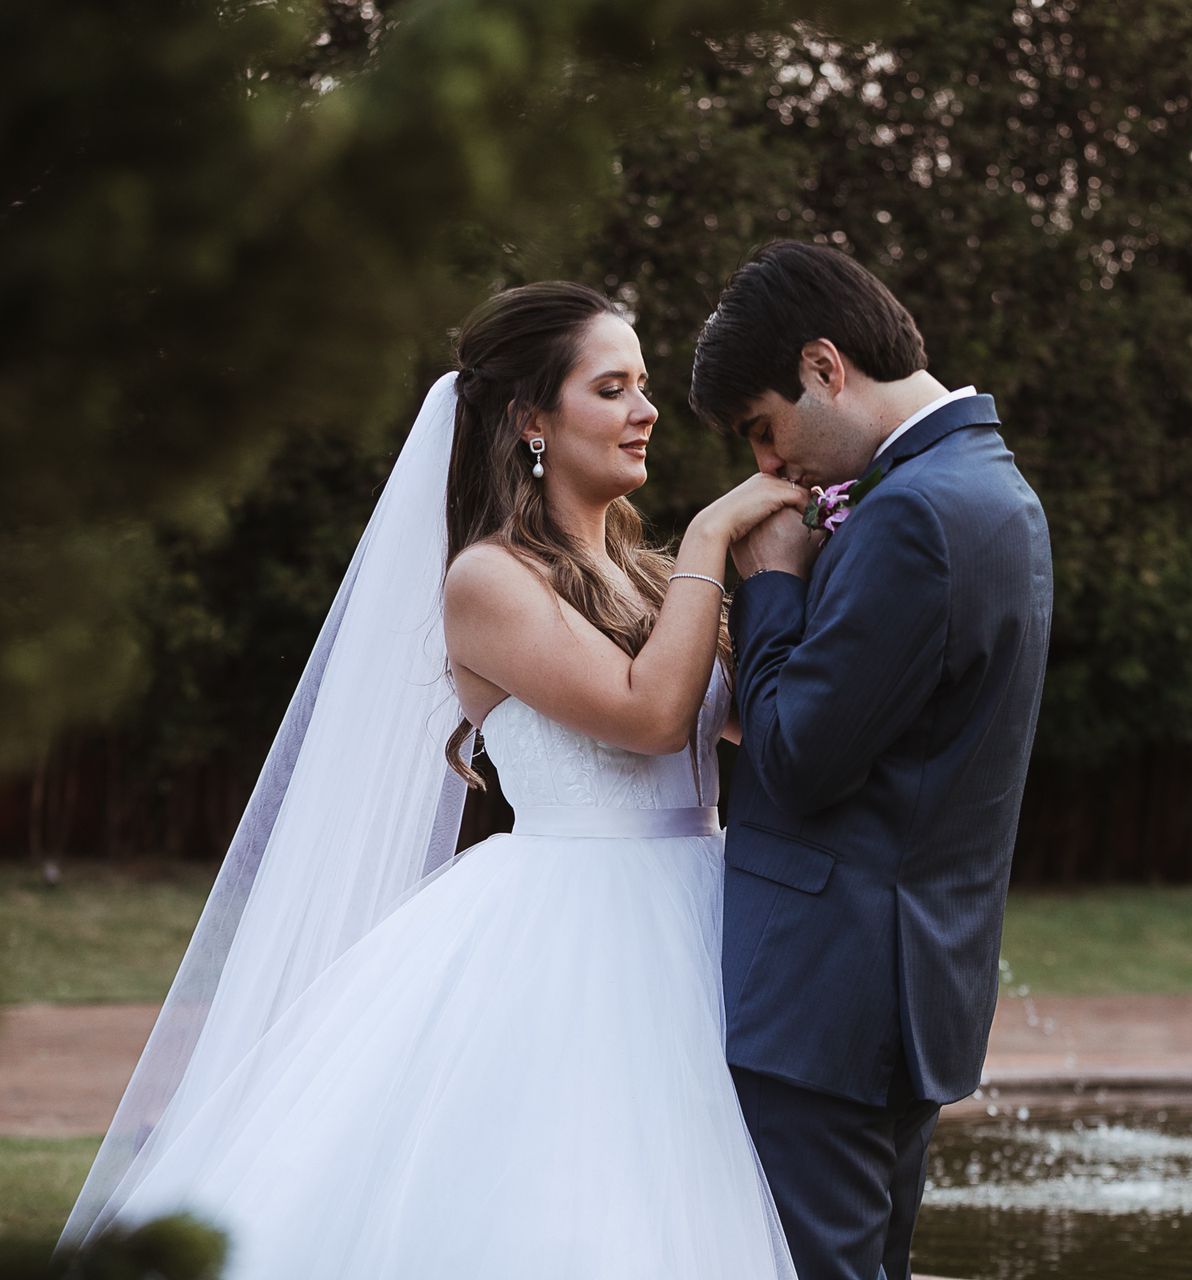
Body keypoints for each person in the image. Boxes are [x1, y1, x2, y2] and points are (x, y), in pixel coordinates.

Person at [60, 282, 808, 1277]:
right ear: (532, 419)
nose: (646, 411)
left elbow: (754, 720)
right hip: (573, 935)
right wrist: (716, 539)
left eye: (644, 386)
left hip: (704, 906)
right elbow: (646, 713)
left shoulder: (645, 574)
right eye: (613, 386)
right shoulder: (488, 581)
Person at [689, 241, 1052, 1280]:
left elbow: (800, 756)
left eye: (765, 427)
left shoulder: (913, 515)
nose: (767, 464)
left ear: (824, 364)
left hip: (825, 991)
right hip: (898, 981)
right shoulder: (984, 487)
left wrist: (767, 583)